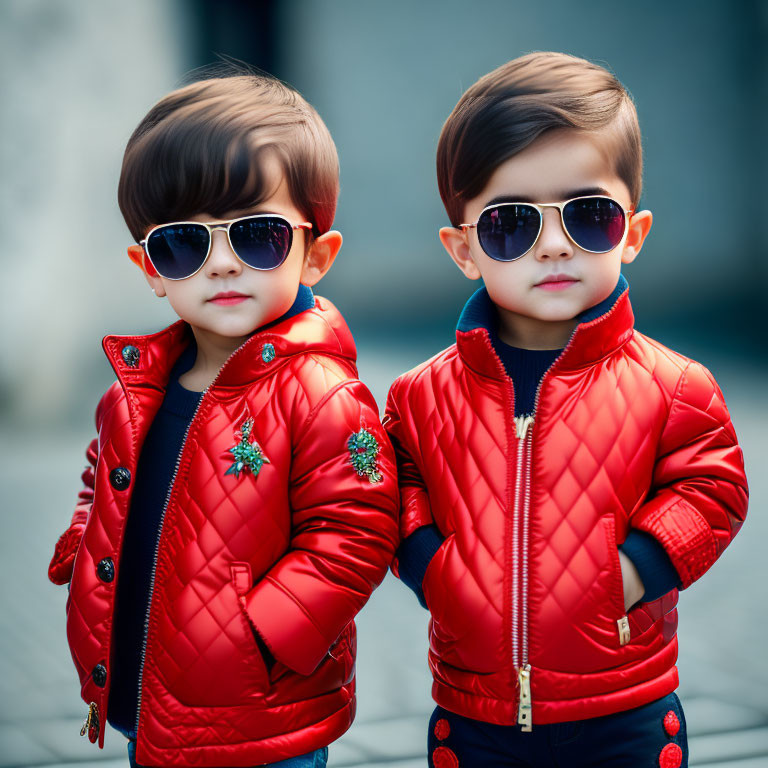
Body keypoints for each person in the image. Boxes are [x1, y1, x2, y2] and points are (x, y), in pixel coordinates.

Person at [384, 51, 748, 768]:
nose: (553, 245)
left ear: (633, 234)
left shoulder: (675, 384)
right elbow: (393, 489)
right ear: (463, 249)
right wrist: (432, 569)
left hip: (624, 709)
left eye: (588, 215)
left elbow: (714, 488)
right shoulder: (419, 396)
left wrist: (635, 571)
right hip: (474, 712)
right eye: (512, 225)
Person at [47, 70, 399, 768]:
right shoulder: (132, 393)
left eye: (259, 236)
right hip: (145, 701)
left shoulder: (320, 391)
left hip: (261, 716)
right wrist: (80, 549)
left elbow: (357, 528)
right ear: (150, 267)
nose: (224, 265)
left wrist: (263, 633)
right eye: (185, 244)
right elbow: (101, 483)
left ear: (317, 254)